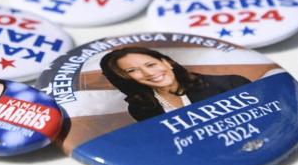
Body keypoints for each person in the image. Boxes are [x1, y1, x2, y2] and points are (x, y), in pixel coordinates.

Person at [100, 47, 251, 121]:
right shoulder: (141, 108)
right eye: (132, 70)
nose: (149, 73)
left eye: (151, 64)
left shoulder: (231, 84)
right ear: (126, 78)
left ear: (167, 63)